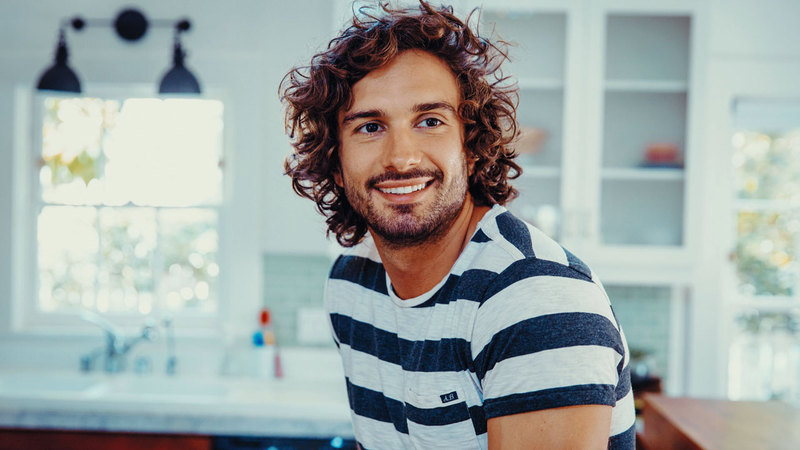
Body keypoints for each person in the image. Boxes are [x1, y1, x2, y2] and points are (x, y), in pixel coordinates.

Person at [280, 2, 634, 448]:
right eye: (370, 127)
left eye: (430, 121)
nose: (401, 157)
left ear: (471, 149)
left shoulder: (535, 299)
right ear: (335, 164)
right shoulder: (352, 286)